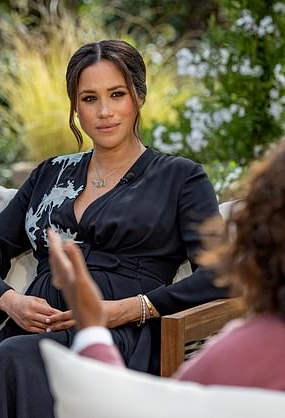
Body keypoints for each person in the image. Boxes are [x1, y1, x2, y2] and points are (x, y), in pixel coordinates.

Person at [0, 39, 228, 418]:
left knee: (13, 363)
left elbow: (218, 273)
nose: (104, 112)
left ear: (139, 97)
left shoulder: (181, 177)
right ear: (75, 107)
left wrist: (130, 310)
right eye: (89, 99)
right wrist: (10, 301)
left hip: (118, 338)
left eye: (117, 94)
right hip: (35, 333)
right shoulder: (51, 174)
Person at [48, 139, 285, 391]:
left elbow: (151, 408)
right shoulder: (50, 173)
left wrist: (94, 328)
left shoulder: (241, 355)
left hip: (123, 339)